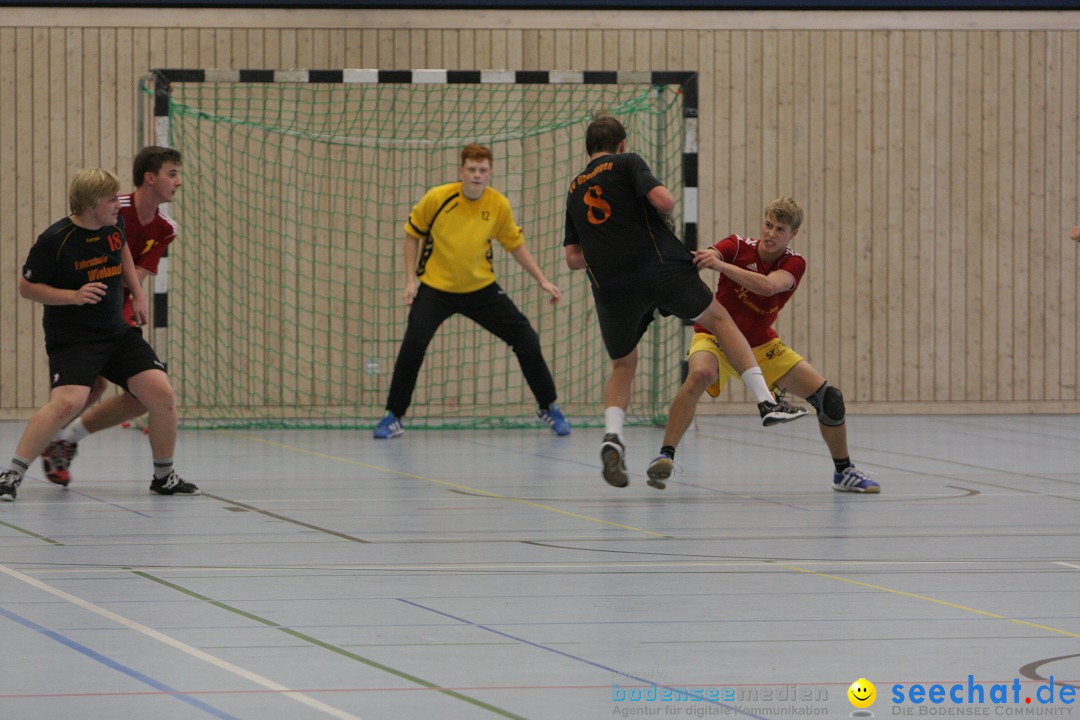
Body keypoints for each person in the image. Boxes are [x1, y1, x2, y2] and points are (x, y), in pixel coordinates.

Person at [563, 115, 806, 489]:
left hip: (609, 286)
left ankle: (613, 436)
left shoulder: (573, 188)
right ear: (622, 144)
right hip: (657, 268)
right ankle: (765, 402)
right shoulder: (627, 162)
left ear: (587, 148)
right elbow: (665, 200)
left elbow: (574, 259)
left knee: (623, 364)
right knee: (720, 319)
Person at [645, 197, 880, 493]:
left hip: (760, 344)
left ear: (792, 234)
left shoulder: (794, 263)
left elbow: (768, 286)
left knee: (829, 399)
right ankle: (664, 455)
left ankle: (843, 472)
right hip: (714, 338)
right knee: (699, 375)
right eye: (768, 225)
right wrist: (701, 257)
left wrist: (720, 266)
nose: (770, 234)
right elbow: (710, 254)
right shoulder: (737, 246)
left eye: (779, 229)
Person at [0, 167, 198, 502]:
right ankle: (12, 474)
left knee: (159, 393)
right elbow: (26, 288)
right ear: (91, 204)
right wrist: (73, 296)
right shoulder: (55, 240)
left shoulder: (114, 223)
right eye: (110, 200)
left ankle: (164, 476)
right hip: (75, 337)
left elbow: (121, 251)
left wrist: (135, 293)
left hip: (116, 333)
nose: (118, 206)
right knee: (69, 401)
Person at [373, 143, 571, 439]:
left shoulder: (497, 204)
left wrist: (541, 279)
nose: (477, 175)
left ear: (490, 173)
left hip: (481, 289)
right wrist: (410, 280)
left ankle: (549, 407)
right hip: (436, 289)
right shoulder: (438, 198)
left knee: (526, 337)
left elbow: (514, 244)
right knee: (413, 344)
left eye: (483, 170)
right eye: (472, 169)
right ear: (461, 171)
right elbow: (412, 234)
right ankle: (393, 416)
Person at [39, 146, 183, 487]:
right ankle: (46, 446)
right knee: (87, 389)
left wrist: (133, 306)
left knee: (142, 397)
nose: (179, 182)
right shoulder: (110, 205)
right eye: (172, 174)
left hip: (118, 314)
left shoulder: (165, 228)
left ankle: (66, 439)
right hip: (82, 313)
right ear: (150, 178)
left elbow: (138, 274)